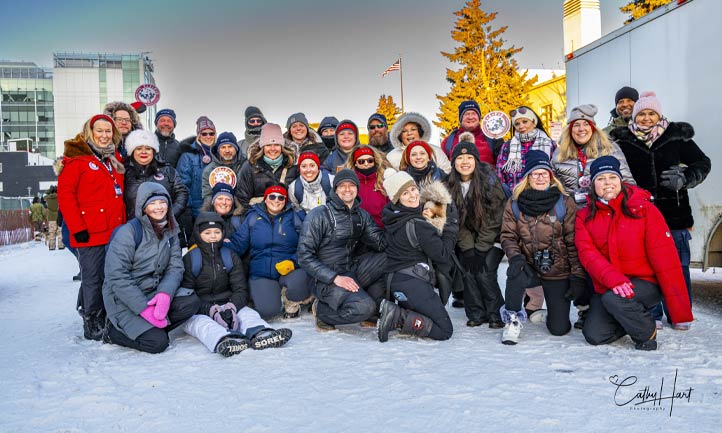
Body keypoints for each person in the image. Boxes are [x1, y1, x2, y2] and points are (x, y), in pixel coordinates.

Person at [610, 91, 710, 329]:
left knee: (677, 265)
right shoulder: (623, 140)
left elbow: (703, 163)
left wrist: (685, 178)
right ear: (635, 116)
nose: (646, 118)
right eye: (642, 114)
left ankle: (679, 314)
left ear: (659, 114)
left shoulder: (676, 136)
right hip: (639, 215)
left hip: (674, 215)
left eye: (651, 113)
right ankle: (652, 313)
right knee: (644, 266)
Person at [575, 156, 693, 350]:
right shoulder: (584, 216)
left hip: (645, 283)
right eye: (601, 179)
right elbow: (588, 254)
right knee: (595, 335)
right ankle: (628, 317)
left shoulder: (644, 209)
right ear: (593, 185)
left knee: (614, 299)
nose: (607, 183)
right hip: (609, 283)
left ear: (621, 181)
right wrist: (614, 279)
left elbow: (665, 255)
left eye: (612, 177)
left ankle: (646, 332)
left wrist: (678, 308)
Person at [551, 104, 634, 329]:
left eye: (585, 124)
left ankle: (614, 307)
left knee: (605, 262)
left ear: (593, 127)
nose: (580, 129)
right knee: (579, 265)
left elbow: (627, 181)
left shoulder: (610, 148)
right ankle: (584, 310)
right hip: (573, 217)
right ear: (570, 129)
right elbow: (554, 186)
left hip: (603, 215)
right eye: (576, 125)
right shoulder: (559, 153)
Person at [499, 151, 585, 344]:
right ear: (527, 177)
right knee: (515, 273)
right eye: (534, 173)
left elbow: (573, 240)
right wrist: (515, 257)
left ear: (551, 175)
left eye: (544, 173)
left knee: (559, 329)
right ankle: (513, 319)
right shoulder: (515, 202)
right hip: (527, 264)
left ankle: (541, 311)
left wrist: (577, 273)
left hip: (557, 268)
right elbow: (508, 235)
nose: (540, 177)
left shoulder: (564, 202)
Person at [103, 183, 200, 353]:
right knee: (157, 343)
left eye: (162, 202)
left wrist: (165, 294)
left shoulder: (171, 230)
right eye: (152, 204)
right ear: (143, 207)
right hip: (125, 298)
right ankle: (113, 331)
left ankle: (150, 325)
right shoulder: (129, 232)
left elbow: (175, 267)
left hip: (153, 291)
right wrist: (143, 308)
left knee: (191, 303)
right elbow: (117, 276)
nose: (158, 208)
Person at [182, 212, 292, 357]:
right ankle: (224, 340)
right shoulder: (191, 258)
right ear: (199, 233)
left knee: (247, 314)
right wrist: (210, 310)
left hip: (228, 302)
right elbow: (187, 293)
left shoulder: (229, 255)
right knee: (201, 324)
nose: (213, 236)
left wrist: (232, 306)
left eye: (217, 232)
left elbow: (240, 288)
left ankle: (262, 333)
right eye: (207, 233)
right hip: (200, 308)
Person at [58, 114, 126, 340]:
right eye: (100, 131)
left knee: (109, 277)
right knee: (92, 278)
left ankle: (105, 314)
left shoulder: (113, 160)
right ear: (90, 132)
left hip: (113, 231)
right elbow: (66, 197)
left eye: (108, 131)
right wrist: (77, 227)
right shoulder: (77, 160)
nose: (105, 135)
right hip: (89, 231)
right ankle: (91, 320)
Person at [298, 169, 387, 331]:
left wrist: (397, 217)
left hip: (351, 270)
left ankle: (374, 306)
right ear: (335, 189)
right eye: (342, 185)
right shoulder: (319, 215)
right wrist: (334, 278)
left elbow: (381, 244)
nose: (347, 189)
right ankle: (322, 312)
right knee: (364, 308)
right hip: (326, 278)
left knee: (388, 257)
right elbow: (304, 256)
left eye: (351, 185)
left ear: (357, 188)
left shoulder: (361, 215)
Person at [376, 169, 458, 342]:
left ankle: (399, 313)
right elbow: (442, 254)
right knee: (444, 330)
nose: (413, 195)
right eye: (405, 193)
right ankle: (397, 316)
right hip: (413, 283)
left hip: (395, 282)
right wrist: (450, 227)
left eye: (413, 189)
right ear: (397, 199)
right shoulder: (419, 225)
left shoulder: (392, 217)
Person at [496, 106, 555, 314]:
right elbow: (501, 174)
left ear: (534, 122)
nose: (521, 126)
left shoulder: (549, 144)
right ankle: (522, 301)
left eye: (525, 122)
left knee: (540, 250)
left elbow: (552, 171)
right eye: (517, 124)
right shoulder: (507, 147)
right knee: (521, 253)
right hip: (517, 203)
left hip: (542, 203)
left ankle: (536, 302)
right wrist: (511, 198)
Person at [447, 135, 506, 328]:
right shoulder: (450, 185)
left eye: (469, 158)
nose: (465, 162)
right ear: (454, 162)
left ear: (476, 160)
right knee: (468, 269)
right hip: (467, 239)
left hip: (491, 238)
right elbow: (456, 221)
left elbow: (494, 218)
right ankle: (476, 313)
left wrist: (480, 248)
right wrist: (469, 249)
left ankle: (496, 312)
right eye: (460, 158)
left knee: (484, 271)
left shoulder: (489, 180)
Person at [229, 184, 312, 319]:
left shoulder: (295, 217)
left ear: (285, 201)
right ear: (266, 199)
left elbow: (307, 246)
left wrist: (293, 262)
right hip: (261, 272)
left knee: (300, 281)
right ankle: (269, 294)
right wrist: (211, 246)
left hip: (289, 269)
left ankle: (290, 300)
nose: (276, 200)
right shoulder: (253, 218)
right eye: (272, 196)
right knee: (267, 312)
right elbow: (238, 244)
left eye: (281, 198)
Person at [123, 130, 188, 224]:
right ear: (132, 151)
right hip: (135, 227)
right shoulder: (124, 172)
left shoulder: (167, 170)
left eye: (148, 148)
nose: (144, 152)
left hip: (163, 227)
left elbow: (182, 193)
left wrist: (169, 216)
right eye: (139, 148)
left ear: (154, 151)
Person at [235, 123, 298, 209]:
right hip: (258, 214)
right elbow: (243, 198)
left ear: (282, 146)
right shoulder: (250, 166)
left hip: (286, 213)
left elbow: (298, 196)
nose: (272, 149)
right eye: (268, 145)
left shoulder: (292, 165)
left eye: (276, 145)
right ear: (262, 147)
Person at [176, 116, 217, 240]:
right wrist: (187, 211)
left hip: (218, 209)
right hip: (196, 212)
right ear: (198, 135)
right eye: (204, 133)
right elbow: (183, 185)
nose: (208, 136)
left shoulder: (221, 153)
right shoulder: (188, 156)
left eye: (211, 133)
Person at [386, 112, 451, 173]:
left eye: (413, 129)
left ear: (420, 132)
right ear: (400, 135)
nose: (409, 133)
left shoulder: (435, 151)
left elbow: (447, 171)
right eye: (404, 131)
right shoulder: (392, 157)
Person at [441, 100, 499, 164]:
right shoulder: (448, 142)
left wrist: (501, 149)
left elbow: (502, 167)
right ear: (461, 118)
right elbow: (443, 168)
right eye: (466, 114)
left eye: (474, 113)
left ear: (479, 117)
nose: (470, 117)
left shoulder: (491, 139)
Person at [344, 146, 390, 228]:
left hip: (381, 230)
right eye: (361, 161)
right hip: (356, 230)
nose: (366, 164)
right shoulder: (349, 182)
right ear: (355, 163)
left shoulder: (384, 180)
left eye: (370, 160)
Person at [200, 131, 247, 201]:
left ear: (236, 148)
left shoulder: (246, 165)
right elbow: (207, 195)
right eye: (223, 147)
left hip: (243, 205)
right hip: (220, 207)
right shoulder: (209, 170)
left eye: (230, 146)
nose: (227, 150)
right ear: (218, 150)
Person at [44, 186, 63, 250]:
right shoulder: (60, 196)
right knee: (60, 232)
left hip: (51, 217)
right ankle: (61, 245)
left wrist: (50, 190)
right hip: (59, 216)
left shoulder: (47, 198)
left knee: (51, 232)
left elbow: (45, 194)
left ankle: (52, 246)